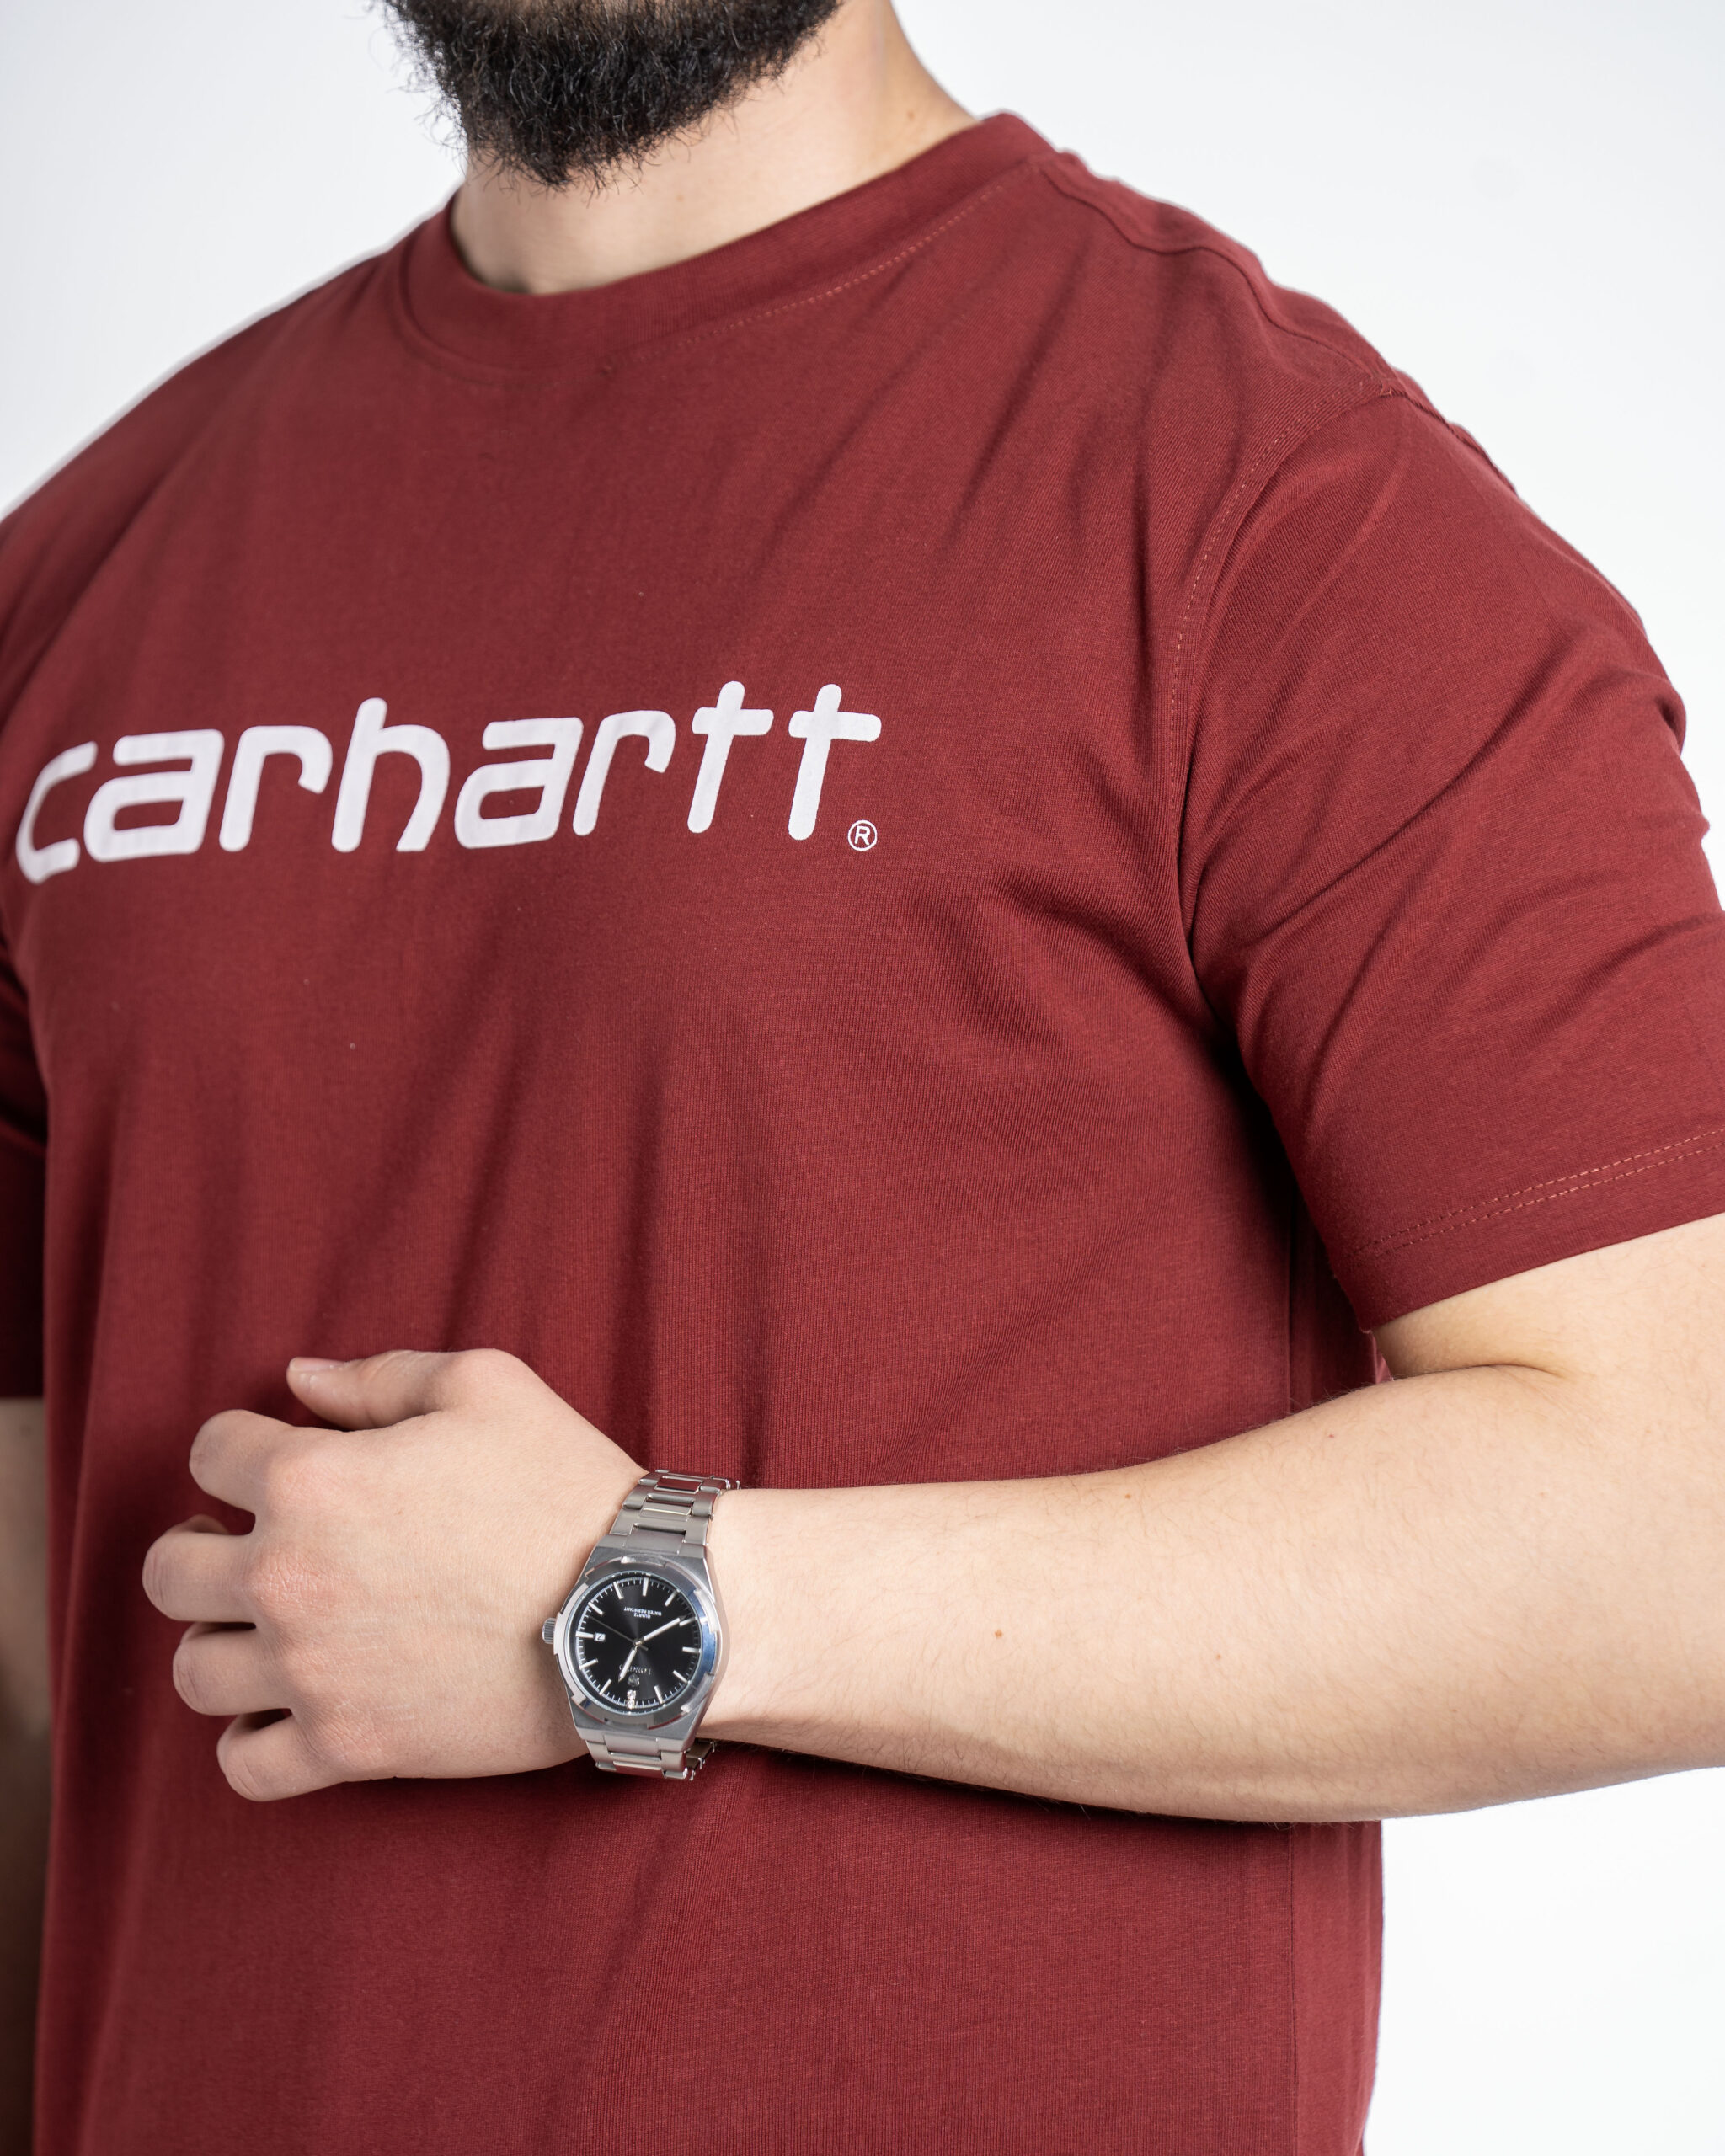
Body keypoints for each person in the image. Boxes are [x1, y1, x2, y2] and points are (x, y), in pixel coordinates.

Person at [3, 0, 1722, 2148]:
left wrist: (637, 1598)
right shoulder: (85, 580)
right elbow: (34, 1650)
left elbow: (1681, 1523)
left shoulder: (1274, 505)